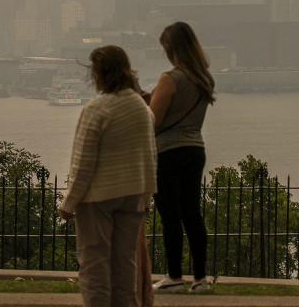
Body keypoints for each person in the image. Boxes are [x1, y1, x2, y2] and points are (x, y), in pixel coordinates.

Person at [60, 45, 157, 307]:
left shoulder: (97, 110)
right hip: (133, 196)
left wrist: (69, 202)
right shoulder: (142, 109)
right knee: (126, 265)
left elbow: (83, 163)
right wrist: (146, 196)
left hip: (98, 199)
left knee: (95, 265)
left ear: (99, 74)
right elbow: (150, 157)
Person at [149, 21, 215, 293]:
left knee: (169, 215)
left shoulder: (170, 78)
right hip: (195, 149)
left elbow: (153, 120)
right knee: (192, 213)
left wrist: (144, 100)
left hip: (168, 152)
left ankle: (174, 275)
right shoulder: (203, 79)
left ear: (172, 49)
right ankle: (200, 278)